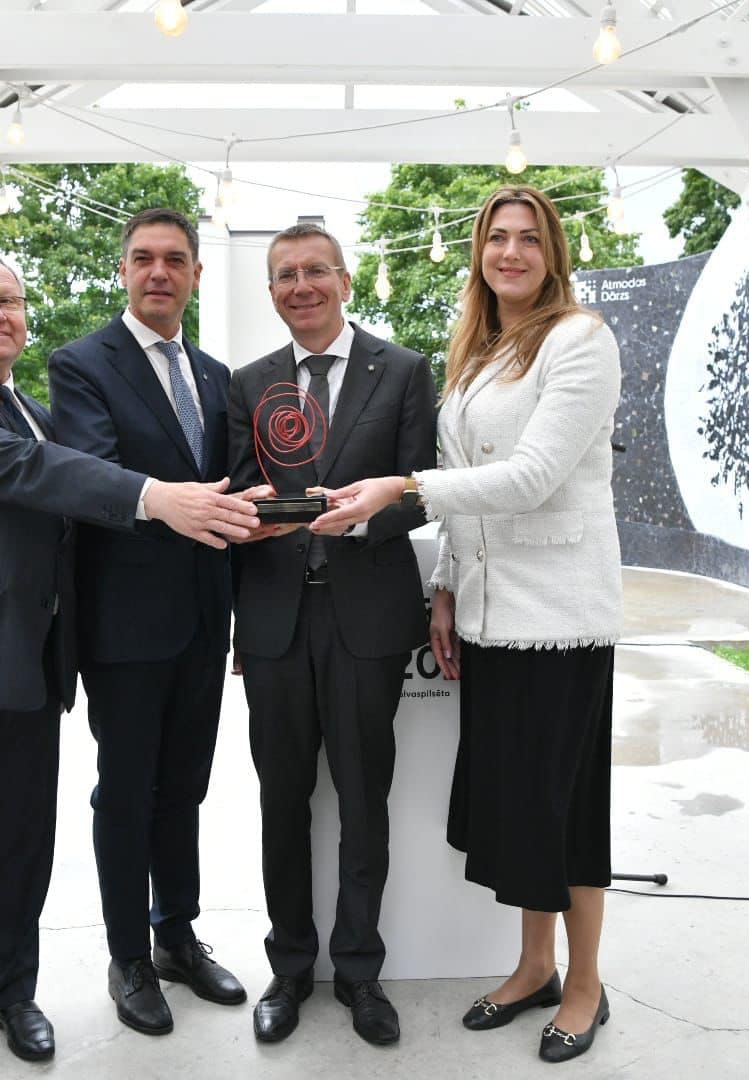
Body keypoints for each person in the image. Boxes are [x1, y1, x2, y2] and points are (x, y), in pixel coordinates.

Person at [0, 248, 258, 1080]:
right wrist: (155, 496)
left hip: (29, 666)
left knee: (18, 849)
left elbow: (72, 500)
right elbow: (30, 473)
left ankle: (11, 994)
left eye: (9, 301)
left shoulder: (36, 413)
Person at [310, 185, 623, 1065]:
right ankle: (534, 966)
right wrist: (445, 588)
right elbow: (467, 499)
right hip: (490, 615)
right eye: (496, 238)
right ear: (479, 252)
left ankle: (586, 985)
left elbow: (531, 477)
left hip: (560, 617)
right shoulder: (480, 352)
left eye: (529, 238)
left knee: (568, 811)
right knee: (522, 809)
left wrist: (402, 487)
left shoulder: (580, 340)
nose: (510, 252)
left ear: (552, 254)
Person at [226, 223, 437, 1047]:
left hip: (366, 618)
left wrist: (364, 518)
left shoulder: (404, 370)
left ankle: (358, 971)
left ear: (345, 281)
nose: (301, 286)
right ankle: (289, 967)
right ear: (271, 292)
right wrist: (252, 514)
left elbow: (421, 489)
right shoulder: (249, 384)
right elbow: (242, 487)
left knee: (362, 799)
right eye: (285, 275)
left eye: (316, 270)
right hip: (275, 620)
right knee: (281, 800)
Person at [48, 208, 247, 1036]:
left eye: (173, 259)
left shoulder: (216, 375)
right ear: (124, 270)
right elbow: (95, 477)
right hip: (127, 622)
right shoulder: (81, 364)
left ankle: (177, 936)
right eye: (142, 258)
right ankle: (128, 955)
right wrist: (178, 506)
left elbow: (231, 484)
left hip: (205, 616)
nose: (158, 271)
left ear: (196, 273)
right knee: (127, 792)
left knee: (185, 786)